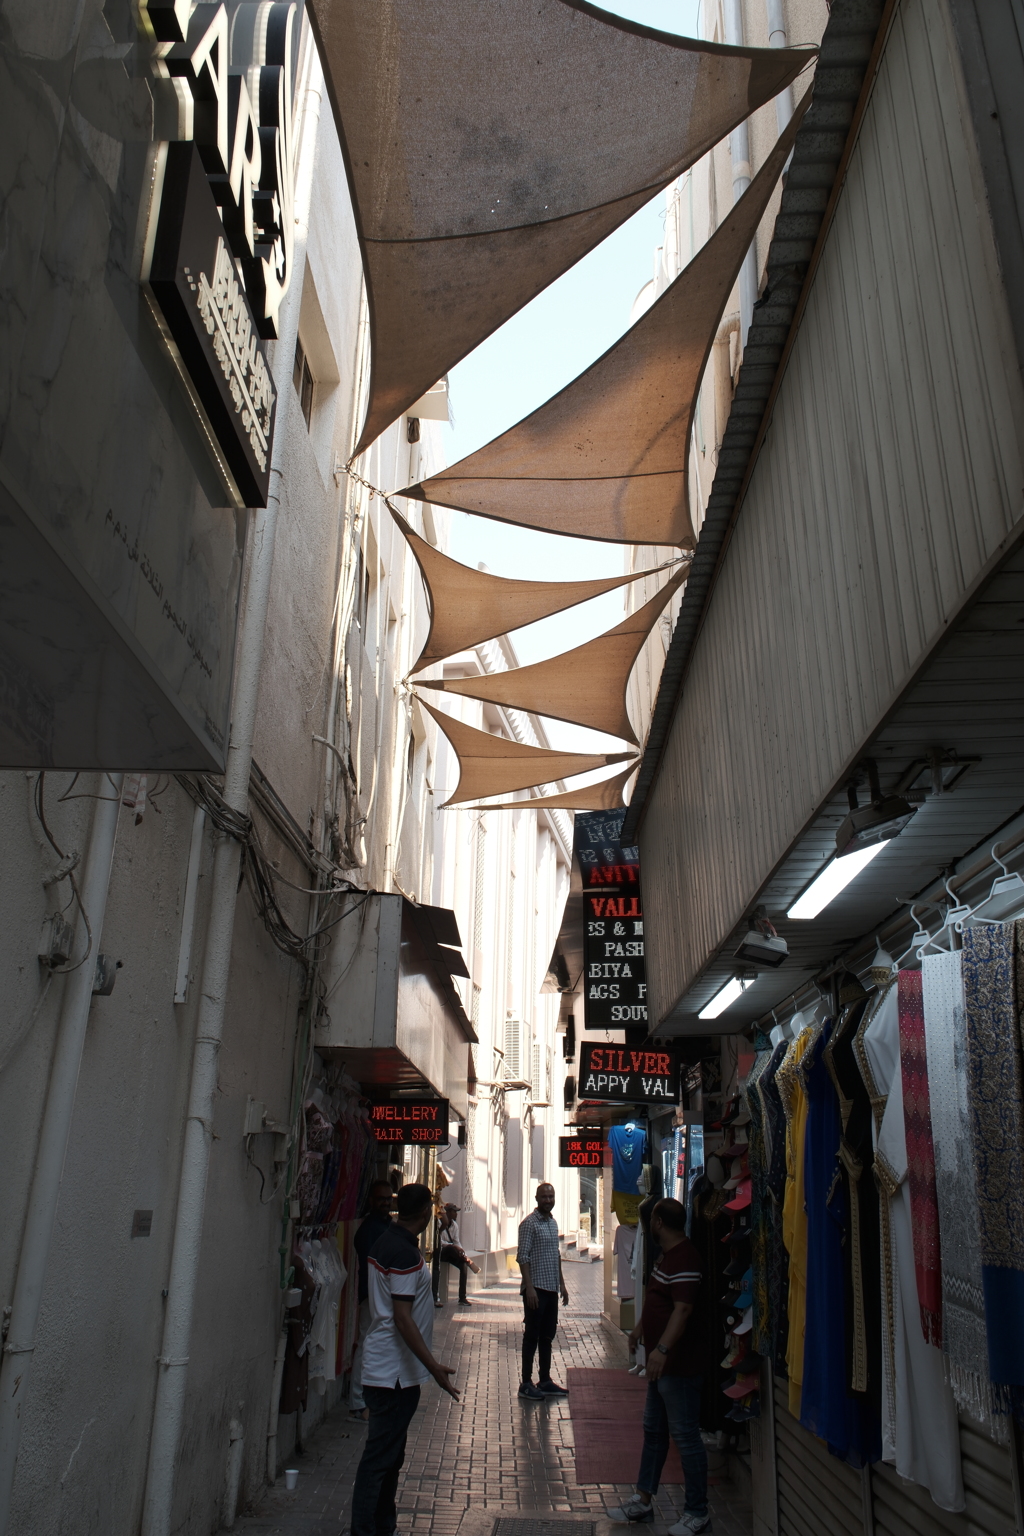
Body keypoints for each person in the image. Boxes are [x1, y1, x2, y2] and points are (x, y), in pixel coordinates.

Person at [350, 1183, 460, 1536]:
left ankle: (383, 1524)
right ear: (427, 1214)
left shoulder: (388, 1242)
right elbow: (402, 1317)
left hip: (391, 1371)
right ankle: (365, 1528)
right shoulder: (404, 1254)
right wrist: (434, 1367)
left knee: (389, 1457)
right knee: (379, 1459)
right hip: (392, 1375)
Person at [608, 1197, 710, 1534]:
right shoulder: (666, 1258)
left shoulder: (686, 1258)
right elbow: (658, 1301)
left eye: (651, 1219)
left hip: (678, 1368)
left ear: (659, 1224)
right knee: (654, 1433)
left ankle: (697, 1510)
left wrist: (662, 1348)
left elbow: (682, 1310)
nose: (648, 1225)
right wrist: (639, 1331)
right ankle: (643, 1500)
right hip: (660, 1368)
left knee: (685, 1438)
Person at [516, 1182, 570, 1400]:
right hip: (535, 1289)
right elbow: (523, 1256)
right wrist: (529, 1288)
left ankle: (545, 1379)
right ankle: (526, 1383)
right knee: (531, 1337)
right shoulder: (529, 1224)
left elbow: (555, 1254)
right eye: (544, 1197)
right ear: (537, 1199)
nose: (548, 1200)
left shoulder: (552, 1223)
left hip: (551, 1289)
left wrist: (562, 1284)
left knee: (547, 1337)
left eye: (551, 1196)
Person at [349, 1180, 394, 1419]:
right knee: (366, 1343)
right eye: (381, 1198)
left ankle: (370, 1397)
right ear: (371, 1201)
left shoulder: (386, 1225)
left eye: (388, 1198)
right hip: (373, 1296)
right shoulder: (369, 1229)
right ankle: (357, 1400)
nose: (386, 1202)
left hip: (384, 1296)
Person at [432, 1201, 479, 1306]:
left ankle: (462, 1297)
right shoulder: (439, 1223)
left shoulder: (455, 1226)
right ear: (448, 1212)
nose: (456, 1214)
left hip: (452, 1253)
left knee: (463, 1266)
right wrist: (453, 1247)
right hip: (442, 1251)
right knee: (451, 1248)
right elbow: (439, 1241)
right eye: (454, 1212)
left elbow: (457, 1241)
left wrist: (462, 1252)